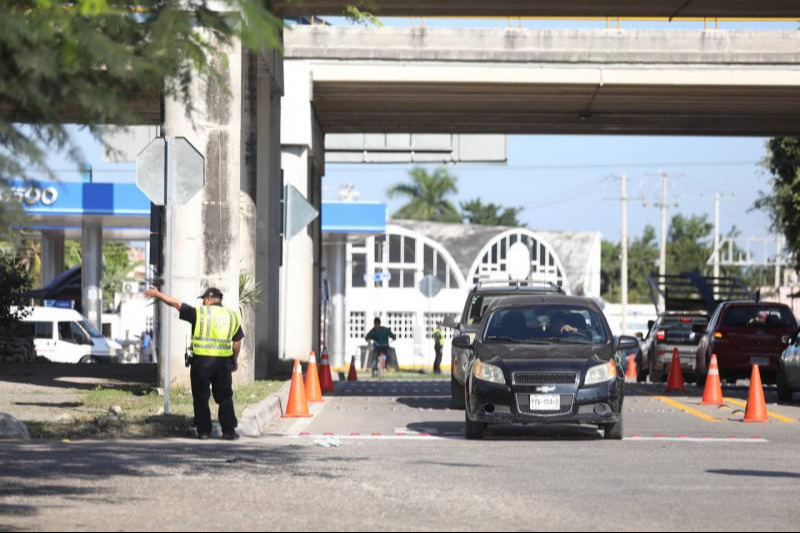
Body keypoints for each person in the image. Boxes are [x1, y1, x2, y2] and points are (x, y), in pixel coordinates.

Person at [144, 287, 244, 441]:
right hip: (223, 362)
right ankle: (229, 431)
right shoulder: (232, 316)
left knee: (201, 397)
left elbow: (177, 304)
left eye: (204, 299)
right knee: (225, 397)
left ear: (210, 299)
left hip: (201, 363)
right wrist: (234, 359)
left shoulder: (200, 313)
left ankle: (204, 431)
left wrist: (158, 294)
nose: (203, 302)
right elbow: (237, 342)